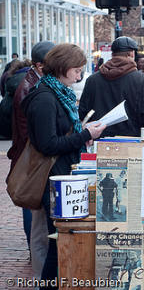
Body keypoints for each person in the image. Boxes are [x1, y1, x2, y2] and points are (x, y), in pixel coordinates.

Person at [22, 43, 106, 289]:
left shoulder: (58, 93)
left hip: (63, 174)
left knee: (61, 241)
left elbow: (60, 136)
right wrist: (84, 134)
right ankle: (47, 286)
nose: (80, 76)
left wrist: (83, 134)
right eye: (77, 70)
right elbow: (48, 144)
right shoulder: (45, 98)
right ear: (63, 68)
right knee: (58, 242)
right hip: (54, 178)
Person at [7, 41, 55, 281]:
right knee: (34, 211)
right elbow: (36, 135)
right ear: (40, 64)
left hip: (31, 157)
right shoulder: (32, 88)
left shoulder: (33, 84)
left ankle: (36, 260)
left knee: (36, 215)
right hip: (33, 161)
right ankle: (39, 268)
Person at [79, 36, 144, 137]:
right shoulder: (143, 81)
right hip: (132, 144)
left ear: (112, 54)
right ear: (131, 54)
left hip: (99, 143)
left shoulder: (92, 80)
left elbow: (83, 114)